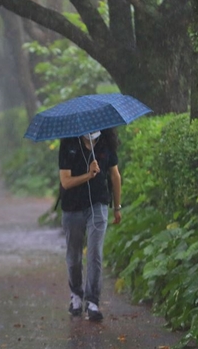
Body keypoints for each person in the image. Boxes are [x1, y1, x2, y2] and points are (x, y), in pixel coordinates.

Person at [58, 128, 122, 322]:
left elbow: (115, 176)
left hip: (98, 205)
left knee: (95, 253)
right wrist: (88, 174)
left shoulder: (106, 143)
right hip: (73, 207)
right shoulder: (68, 143)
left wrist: (117, 207)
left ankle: (93, 301)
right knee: (74, 256)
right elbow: (65, 182)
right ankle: (76, 295)